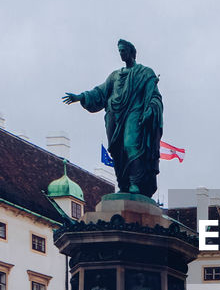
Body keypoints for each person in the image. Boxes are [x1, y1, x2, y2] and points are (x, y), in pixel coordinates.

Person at [62, 39, 163, 197]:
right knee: (118, 151)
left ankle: (135, 183)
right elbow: (100, 92)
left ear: (131, 52)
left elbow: (154, 96)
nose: (121, 54)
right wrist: (80, 97)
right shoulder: (115, 76)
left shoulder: (145, 73)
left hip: (134, 114)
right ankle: (124, 183)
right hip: (114, 116)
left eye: (123, 50)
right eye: (119, 51)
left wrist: (150, 109)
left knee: (131, 145)